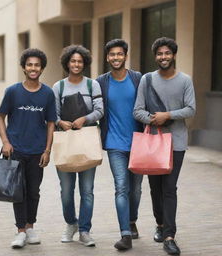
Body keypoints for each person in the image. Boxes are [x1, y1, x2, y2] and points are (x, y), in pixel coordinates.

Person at [133, 37, 196, 255]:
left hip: (176, 143)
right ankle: (160, 224)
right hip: (152, 143)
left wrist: (168, 115)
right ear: (155, 57)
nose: (163, 57)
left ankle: (169, 235)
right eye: (159, 54)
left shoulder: (185, 80)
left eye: (167, 53)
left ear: (174, 55)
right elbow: (137, 110)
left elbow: (191, 109)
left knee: (169, 189)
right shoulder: (147, 80)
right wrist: (153, 119)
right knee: (155, 188)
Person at [0, 48, 57, 249]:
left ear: (42, 68)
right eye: (29, 64)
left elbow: (50, 123)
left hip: (37, 151)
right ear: (24, 67)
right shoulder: (13, 91)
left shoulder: (48, 93)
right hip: (15, 150)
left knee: (34, 191)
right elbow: (0, 117)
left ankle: (31, 226)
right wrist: (6, 142)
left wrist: (47, 150)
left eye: (37, 65)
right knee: (18, 191)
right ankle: (21, 230)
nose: (33, 68)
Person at [52, 45, 104, 247]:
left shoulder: (93, 85)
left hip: (87, 140)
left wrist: (85, 118)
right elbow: (53, 115)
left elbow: (100, 110)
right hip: (65, 142)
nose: (76, 64)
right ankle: (70, 223)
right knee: (66, 191)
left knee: (87, 191)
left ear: (85, 63)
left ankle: (84, 230)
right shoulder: (59, 87)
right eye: (73, 61)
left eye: (80, 61)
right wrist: (59, 122)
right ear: (67, 63)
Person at [96, 39, 143, 251]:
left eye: (119, 54)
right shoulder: (101, 82)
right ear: (107, 57)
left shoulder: (138, 78)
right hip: (114, 143)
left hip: (139, 143)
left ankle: (132, 220)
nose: (116, 57)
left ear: (125, 56)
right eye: (112, 54)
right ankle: (125, 233)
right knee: (121, 187)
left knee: (136, 188)